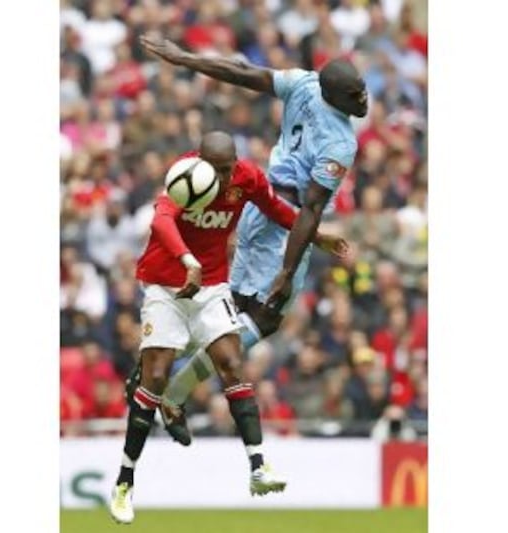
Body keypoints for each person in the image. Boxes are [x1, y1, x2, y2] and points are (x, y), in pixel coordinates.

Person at [138, 33, 367, 444]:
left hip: (255, 206)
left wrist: (186, 59)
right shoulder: (341, 143)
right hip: (283, 222)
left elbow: (242, 73)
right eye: (354, 95)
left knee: (233, 306)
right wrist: (287, 268)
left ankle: (153, 366)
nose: (363, 102)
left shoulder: (303, 83)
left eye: (363, 92)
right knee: (265, 318)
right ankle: (172, 392)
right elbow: (310, 210)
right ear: (334, 95)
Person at [108, 131, 347, 524]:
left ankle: (258, 467)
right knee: (155, 376)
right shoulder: (184, 174)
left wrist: (316, 237)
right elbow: (162, 220)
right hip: (165, 286)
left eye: (227, 168)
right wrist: (187, 260)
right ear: (200, 161)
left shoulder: (246, 177)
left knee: (232, 361)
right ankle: (124, 483)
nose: (222, 177)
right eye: (216, 169)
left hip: (212, 285)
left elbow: (274, 207)